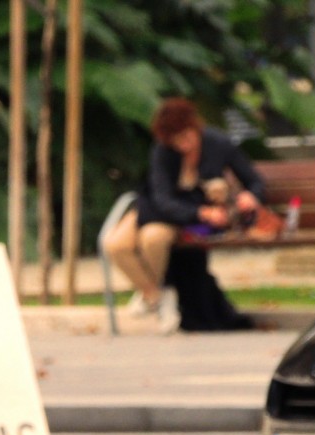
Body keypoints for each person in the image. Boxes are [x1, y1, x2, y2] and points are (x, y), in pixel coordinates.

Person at [102, 97, 265, 333]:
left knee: (153, 239)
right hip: (155, 208)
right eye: (176, 141)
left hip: (183, 218)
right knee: (114, 244)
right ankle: (156, 294)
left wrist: (252, 196)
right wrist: (201, 212)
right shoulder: (162, 151)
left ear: (195, 127)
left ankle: (152, 294)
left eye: (187, 137)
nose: (183, 145)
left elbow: (254, 180)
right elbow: (162, 198)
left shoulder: (217, 143)